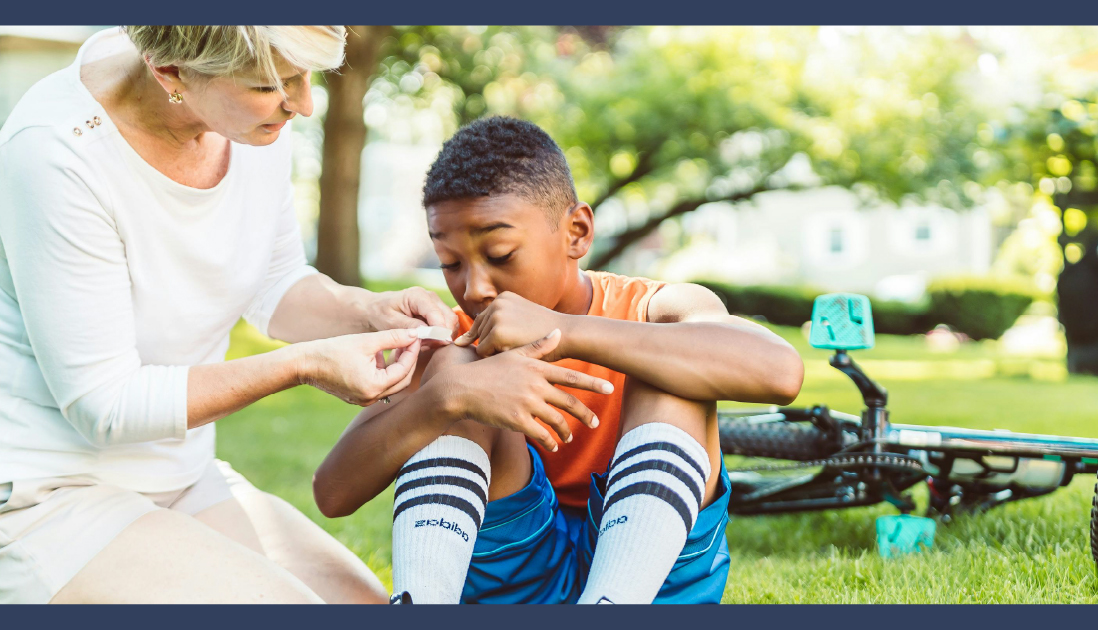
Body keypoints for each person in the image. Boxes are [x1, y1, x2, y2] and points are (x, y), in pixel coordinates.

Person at [0, 25, 466, 604]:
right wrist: (305, 366)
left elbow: (273, 282)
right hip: (49, 495)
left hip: (183, 476)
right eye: (273, 84)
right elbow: (106, 403)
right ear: (171, 74)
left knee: (365, 606)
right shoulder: (56, 151)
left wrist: (367, 310)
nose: (303, 104)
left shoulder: (247, 120)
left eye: (305, 77)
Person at [314, 116, 805, 604]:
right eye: (450, 264)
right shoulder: (456, 341)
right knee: (455, 374)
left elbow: (780, 372)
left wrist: (567, 333)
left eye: (501, 255)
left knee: (675, 361)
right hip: (517, 576)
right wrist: (443, 398)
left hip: (651, 578)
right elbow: (333, 493)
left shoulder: (657, 306)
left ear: (577, 232)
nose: (474, 289)